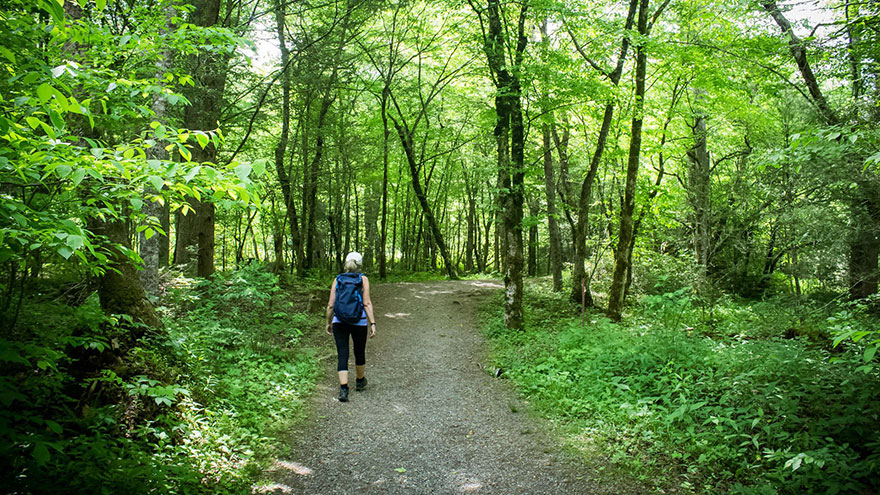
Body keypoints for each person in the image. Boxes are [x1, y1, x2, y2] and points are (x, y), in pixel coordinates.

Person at [325, 252, 376, 402]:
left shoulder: (338, 279)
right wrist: (372, 323)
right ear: (359, 265)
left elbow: (330, 305)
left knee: (342, 353)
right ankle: (360, 381)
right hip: (359, 321)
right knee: (359, 350)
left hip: (339, 321)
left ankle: (343, 389)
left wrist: (328, 322)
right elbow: (366, 303)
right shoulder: (363, 279)